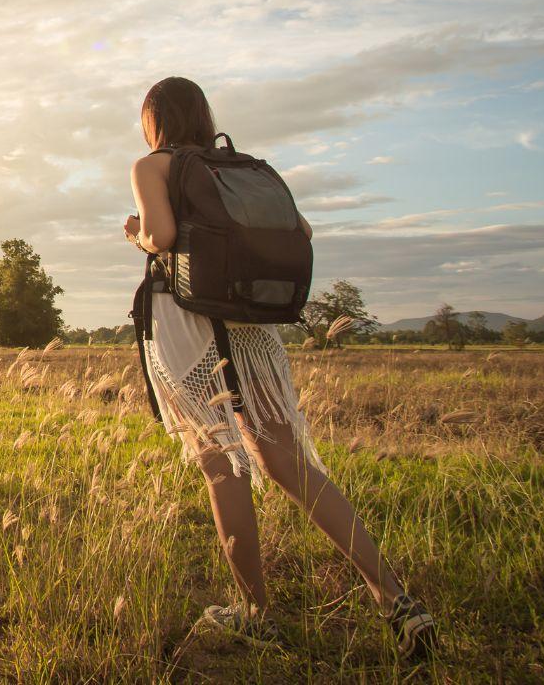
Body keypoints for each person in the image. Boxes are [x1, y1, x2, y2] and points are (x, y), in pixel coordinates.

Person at [122, 76, 437, 659]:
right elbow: (303, 232)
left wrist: (138, 237)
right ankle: (393, 597)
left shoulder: (152, 167)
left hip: (188, 321)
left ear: (153, 121)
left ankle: (254, 612)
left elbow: (162, 235)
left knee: (224, 465)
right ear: (203, 115)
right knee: (286, 459)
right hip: (250, 321)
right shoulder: (238, 168)